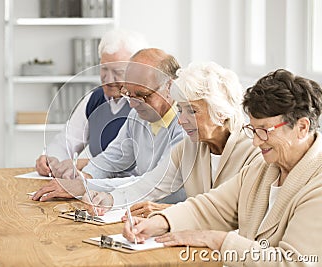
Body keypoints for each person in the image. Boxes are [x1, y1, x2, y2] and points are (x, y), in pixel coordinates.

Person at [123, 69, 322, 266]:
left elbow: (293, 262)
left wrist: (216, 240)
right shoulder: (262, 170)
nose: (255, 142)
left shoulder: (317, 183)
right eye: (253, 130)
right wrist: (159, 222)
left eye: (263, 131)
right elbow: (211, 208)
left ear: (302, 128)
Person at [81, 62, 261, 217]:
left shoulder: (254, 151)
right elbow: (149, 185)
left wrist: (170, 212)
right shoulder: (188, 148)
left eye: (192, 111)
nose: (181, 120)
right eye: (181, 110)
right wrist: (110, 200)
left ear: (221, 113)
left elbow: (237, 216)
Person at [32, 48, 186, 203]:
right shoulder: (138, 115)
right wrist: (84, 176)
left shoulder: (186, 124)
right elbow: (113, 158)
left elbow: (154, 183)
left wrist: (85, 186)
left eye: (142, 95)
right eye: (129, 94)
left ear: (169, 87)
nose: (132, 104)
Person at [35, 29, 148, 178]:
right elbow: (66, 142)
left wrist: (84, 163)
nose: (108, 79)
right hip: (95, 186)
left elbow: (140, 168)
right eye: (104, 69)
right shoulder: (94, 99)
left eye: (118, 72)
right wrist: (50, 159)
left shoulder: (145, 107)